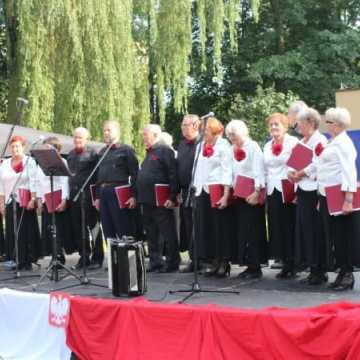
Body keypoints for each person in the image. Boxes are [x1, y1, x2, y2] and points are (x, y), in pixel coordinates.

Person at [316, 107, 359, 291]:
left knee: (343, 236)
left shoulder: (344, 143)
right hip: (327, 194)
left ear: (338, 125)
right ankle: (341, 271)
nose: (326, 125)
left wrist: (349, 199)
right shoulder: (332, 141)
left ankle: (347, 273)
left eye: (329, 122)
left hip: (339, 196)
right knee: (334, 236)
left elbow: (349, 170)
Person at [288, 108, 328, 284]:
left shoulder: (320, 140)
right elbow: (293, 162)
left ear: (310, 122)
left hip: (314, 190)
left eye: (301, 123)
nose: (298, 127)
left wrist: (301, 173)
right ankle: (312, 267)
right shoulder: (303, 140)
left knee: (315, 230)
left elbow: (318, 164)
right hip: (303, 189)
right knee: (305, 230)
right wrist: (291, 173)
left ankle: (320, 270)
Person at [226, 119, 267, 279]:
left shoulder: (253, 147)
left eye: (234, 134)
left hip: (251, 194)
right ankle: (248, 263)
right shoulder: (232, 149)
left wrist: (257, 191)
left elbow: (258, 170)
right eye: (229, 135)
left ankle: (255, 265)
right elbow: (231, 170)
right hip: (239, 194)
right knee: (243, 230)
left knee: (254, 230)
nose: (231, 137)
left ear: (243, 132)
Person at [137, 124, 180, 273]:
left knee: (167, 231)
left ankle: (172, 262)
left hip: (161, 199)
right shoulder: (150, 153)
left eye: (145, 134)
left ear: (155, 135)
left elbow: (172, 174)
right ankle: (155, 261)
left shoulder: (164, 151)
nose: (143, 137)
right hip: (147, 199)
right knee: (151, 232)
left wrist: (172, 196)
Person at [193, 117, 233, 277]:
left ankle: (223, 261)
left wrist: (225, 195)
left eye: (206, 131)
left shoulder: (224, 146)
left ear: (216, 131)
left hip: (216, 189)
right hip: (202, 190)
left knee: (219, 226)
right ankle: (212, 261)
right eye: (202, 131)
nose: (203, 134)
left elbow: (227, 170)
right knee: (206, 227)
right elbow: (197, 169)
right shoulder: (200, 146)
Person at [263, 113, 298, 278]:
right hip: (272, 189)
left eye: (277, 124)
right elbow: (265, 167)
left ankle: (293, 262)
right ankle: (284, 260)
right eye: (271, 125)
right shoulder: (267, 145)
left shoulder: (293, 142)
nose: (274, 127)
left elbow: (298, 165)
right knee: (276, 226)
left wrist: (297, 189)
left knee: (289, 225)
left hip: (288, 187)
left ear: (285, 126)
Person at [95, 120, 138, 246]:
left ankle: (127, 262)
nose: (106, 133)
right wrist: (97, 196)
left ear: (117, 132)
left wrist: (134, 196)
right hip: (104, 193)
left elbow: (135, 174)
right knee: (108, 229)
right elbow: (99, 176)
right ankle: (113, 263)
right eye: (104, 130)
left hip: (119, 191)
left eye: (109, 130)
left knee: (123, 228)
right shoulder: (102, 152)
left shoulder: (126, 150)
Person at [0, 136, 40, 270]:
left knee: (24, 230)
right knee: (12, 231)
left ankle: (26, 261)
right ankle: (16, 259)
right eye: (13, 147)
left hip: (25, 200)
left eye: (17, 146)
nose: (15, 149)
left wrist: (33, 199)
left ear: (23, 147)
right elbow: (1, 184)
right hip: (10, 201)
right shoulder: (5, 164)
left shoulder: (29, 161)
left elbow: (33, 181)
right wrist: (1, 203)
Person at [67, 127, 104, 270]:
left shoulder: (93, 154)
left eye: (80, 137)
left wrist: (97, 196)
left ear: (86, 139)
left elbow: (98, 176)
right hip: (74, 196)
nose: (77, 140)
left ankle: (98, 257)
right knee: (78, 228)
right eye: (75, 137)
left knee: (93, 227)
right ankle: (84, 257)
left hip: (89, 195)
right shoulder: (70, 155)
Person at [36, 137, 70, 265]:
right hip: (46, 199)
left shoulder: (62, 162)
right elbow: (38, 183)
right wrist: (39, 199)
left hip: (57, 197)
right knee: (49, 228)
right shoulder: (41, 164)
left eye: (48, 148)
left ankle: (59, 256)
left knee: (58, 228)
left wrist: (64, 199)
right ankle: (53, 255)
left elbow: (64, 181)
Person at [177, 114, 200, 273]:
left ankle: (204, 258)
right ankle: (193, 259)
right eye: (182, 125)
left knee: (199, 226)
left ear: (196, 125)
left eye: (186, 125)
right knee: (188, 225)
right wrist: (177, 190)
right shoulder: (182, 145)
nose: (183, 128)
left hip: (199, 190)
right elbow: (178, 168)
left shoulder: (202, 143)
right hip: (185, 191)